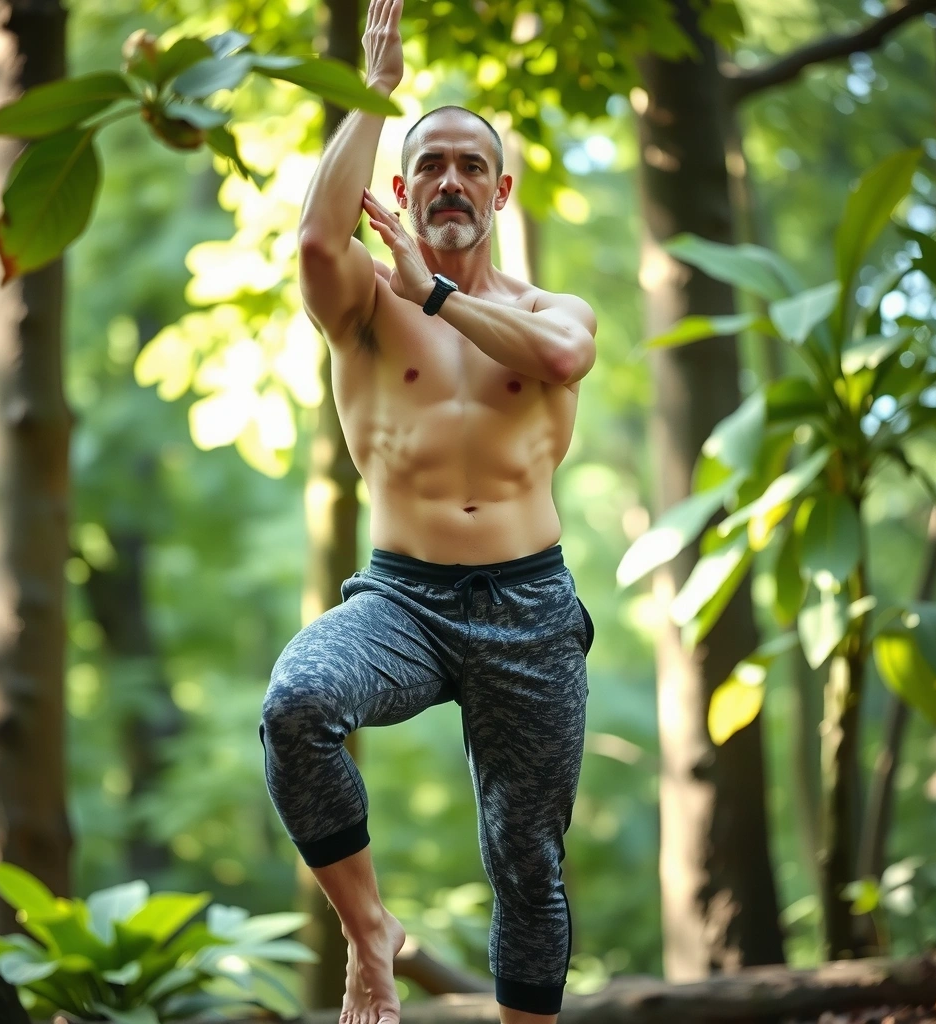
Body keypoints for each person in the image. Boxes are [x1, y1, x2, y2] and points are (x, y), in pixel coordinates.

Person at [258, 1, 598, 1023]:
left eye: (471, 165)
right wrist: (375, 87)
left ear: (501, 188)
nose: (452, 180)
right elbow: (317, 240)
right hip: (400, 602)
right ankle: (371, 931)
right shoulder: (363, 306)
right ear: (400, 190)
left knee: (526, 860)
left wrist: (441, 296)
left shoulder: (549, 310)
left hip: (530, 608)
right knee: (297, 705)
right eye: (431, 165)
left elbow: (564, 360)